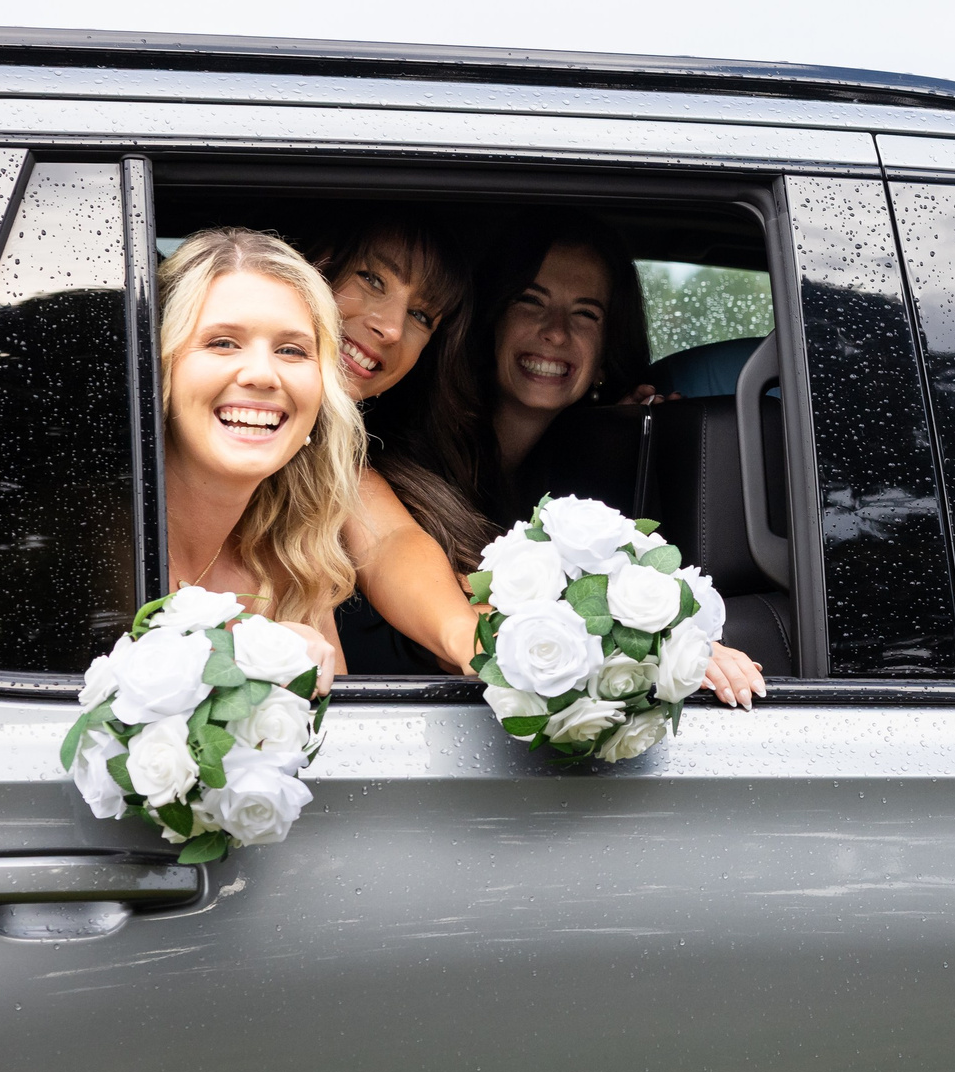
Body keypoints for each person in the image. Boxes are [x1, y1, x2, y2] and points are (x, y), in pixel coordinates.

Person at [432, 212, 768, 707]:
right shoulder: (406, 466)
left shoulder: (582, 483)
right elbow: (466, 623)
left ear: (607, 349)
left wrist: (629, 446)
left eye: (585, 314)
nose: (556, 332)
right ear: (488, 320)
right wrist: (658, 649)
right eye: (530, 301)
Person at [156, 228, 363, 689]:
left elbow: (339, 756)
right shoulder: (90, 547)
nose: (263, 374)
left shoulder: (293, 564)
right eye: (222, 343)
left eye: (292, 350)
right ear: (160, 367)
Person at [309, 215, 495, 676]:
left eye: (420, 316)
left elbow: (390, 543)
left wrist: (484, 646)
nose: (391, 328)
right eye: (373, 280)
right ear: (314, 270)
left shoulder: (350, 466)